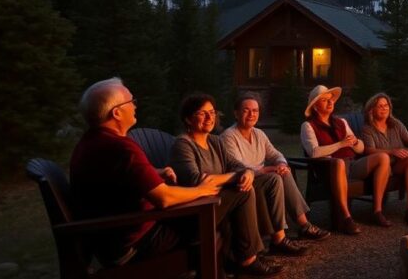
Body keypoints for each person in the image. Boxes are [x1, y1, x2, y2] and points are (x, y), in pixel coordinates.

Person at [70, 78, 222, 267]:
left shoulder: (92, 141)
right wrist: (201, 189)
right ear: (116, 113)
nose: (135, 106)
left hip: (110, 238)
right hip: (133, 242)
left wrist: (154, 173)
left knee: (203, 221)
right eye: (131, 101)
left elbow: (116, 179)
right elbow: (164, 198)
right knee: (210, 225)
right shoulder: (121, 148)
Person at [170, 93, 299, 276]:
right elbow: (197, 180)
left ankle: (272, 241)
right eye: (202, 113)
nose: (209, 118)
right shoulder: (183, 145)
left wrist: (246, 172)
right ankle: (248, 260)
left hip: (220, 197)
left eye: (212, 112)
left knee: (269, 180)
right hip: (199, 206)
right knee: (244, 191)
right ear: (188, 119)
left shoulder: (214, 141)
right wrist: (234, 176)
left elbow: (237, 166)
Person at [221, 93, 330, 241]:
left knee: (284, 172)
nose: (251, 114)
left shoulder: (259, 134)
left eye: (255, 110)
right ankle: (281, 235)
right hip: (244, 182)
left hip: (263, 178)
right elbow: (238, 167)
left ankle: (304, 225)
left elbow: (275, 154)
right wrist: (267, 169)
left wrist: (281, 164)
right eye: (246, 110)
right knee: (275, 177)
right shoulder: (228, 136)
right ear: (236, 113)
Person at [300, 85, 392, 233]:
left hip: (351, 165)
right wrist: (340, 144)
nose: (330, 102)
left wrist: (355, 142)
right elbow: (314, 152)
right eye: (324, 100)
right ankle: (346, 218)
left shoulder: (341, 122)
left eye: (331, 99)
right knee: (339, 163)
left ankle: (377, 211)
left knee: (383, 157)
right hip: (328, 170)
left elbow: (360, 149)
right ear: (315, 106)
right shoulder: (308, 126)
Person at [360, 92, 408, 223]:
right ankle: (377, 212)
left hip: (396, 166)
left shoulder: (396, 124)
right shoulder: (368, 129)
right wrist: (392, 152)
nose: (384, 108)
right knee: (383, 157)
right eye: (380, 106)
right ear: (372, 110)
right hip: (379, 167)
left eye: (386, 105)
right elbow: (368, 150)